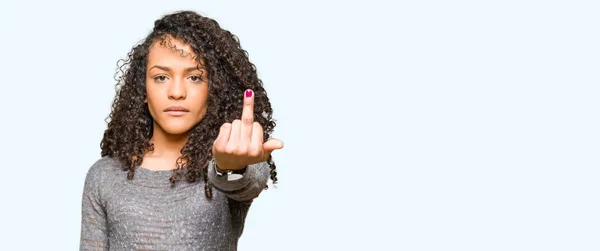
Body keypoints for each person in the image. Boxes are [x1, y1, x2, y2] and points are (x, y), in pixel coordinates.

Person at [79, 10, 284, 251]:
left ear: (214, 89)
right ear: (142, 89)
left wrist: (229, 166)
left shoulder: (229, 160)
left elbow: (244, 180)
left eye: (195, 77)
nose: (177, 92)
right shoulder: (104, 175)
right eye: (161, 77)